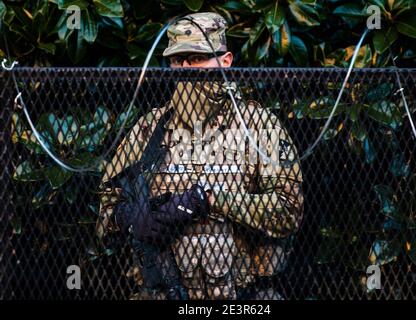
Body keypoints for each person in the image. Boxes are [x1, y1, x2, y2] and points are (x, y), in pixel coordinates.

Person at [96, 12, 304, 300]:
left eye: (196, 59)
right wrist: (131, 218)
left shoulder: (258, 126)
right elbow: (107, 205)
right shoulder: (150, 127)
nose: (185, 69)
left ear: (226, 60)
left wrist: (210, 199)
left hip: (239, 297)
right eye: (177, 60)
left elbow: (288, 211)